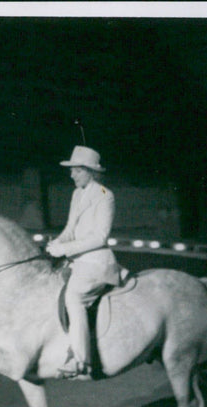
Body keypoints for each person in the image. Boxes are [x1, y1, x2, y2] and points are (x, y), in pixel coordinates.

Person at [47, 146, 122, 378]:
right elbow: (70, 229)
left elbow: (100, 237)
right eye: (72, 170)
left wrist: (65, 249)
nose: (72, 175)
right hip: (76, 262)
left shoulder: (104, 196)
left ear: (91, 171)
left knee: (73, 297)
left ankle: (80, 362)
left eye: (77, 170)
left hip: (97, 263)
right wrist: (55, 244)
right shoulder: (77, 194)